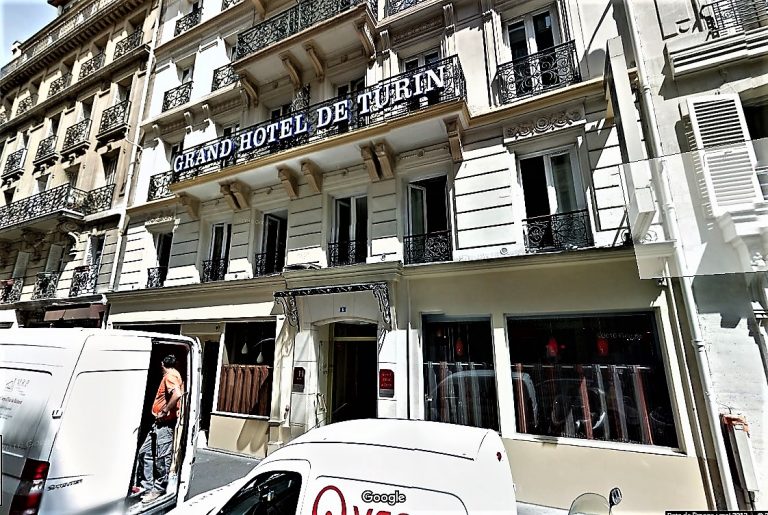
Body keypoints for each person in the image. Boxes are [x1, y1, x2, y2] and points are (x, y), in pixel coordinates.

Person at [134, 354, 184, 504]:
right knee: (145, 453)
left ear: (162, 364)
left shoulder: (170, 376)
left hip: (165, 424)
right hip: (158, 424)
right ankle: (147, 487)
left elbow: (177, 394)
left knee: (162, 458)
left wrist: (165, 410)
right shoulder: (175, 374)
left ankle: (158, 489)